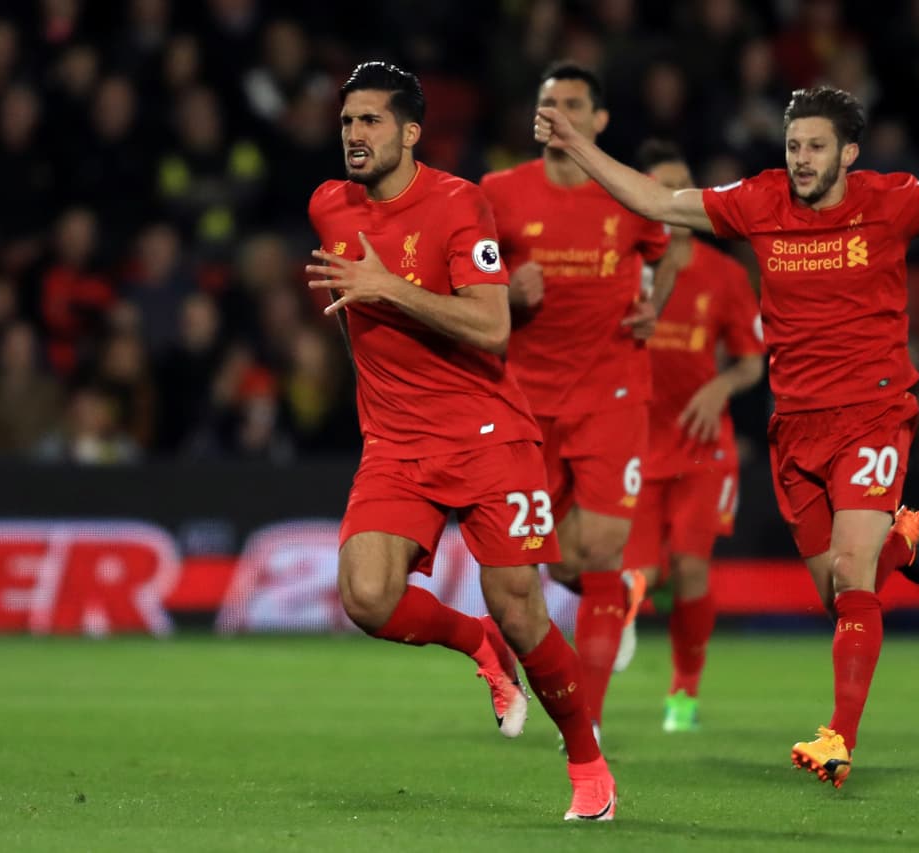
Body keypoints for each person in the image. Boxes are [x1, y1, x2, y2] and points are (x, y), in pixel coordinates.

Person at [535, 81, 919, 787]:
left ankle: (837, 736)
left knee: (850, 579)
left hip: (873, 412)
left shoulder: (887, 200)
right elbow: (659, 202)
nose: (801, 158)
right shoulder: (760, 201)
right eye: (794, 145)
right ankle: (899, 542)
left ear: (849, 152)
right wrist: (580, 146)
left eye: (816, 146)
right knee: (842, 597)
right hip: (796, 428)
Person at [304, 61, 614, 821]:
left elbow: (491, 324)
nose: (354, 134)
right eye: (347, 121)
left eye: (370, 121)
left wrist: (390, 289)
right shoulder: (328, 207)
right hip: (396, 443)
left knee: (522, 609)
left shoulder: (457, 202)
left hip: (487, 436)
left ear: (410, 132)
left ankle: (588, 764)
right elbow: (353, 317)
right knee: (367, 597)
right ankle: (475, 641)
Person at [480, 62, 675, 741]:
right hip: (525, 398)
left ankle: (582, 722)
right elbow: (463, 281)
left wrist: (655, 305)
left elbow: (666, 248)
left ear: (599, 121)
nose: (555, 112)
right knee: (543, 559)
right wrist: (507, 291)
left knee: (599, 548)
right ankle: (611, 600)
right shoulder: (498, 194)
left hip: (611, 390)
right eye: (546, 102)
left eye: (570, 103)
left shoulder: (630, 192)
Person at [613, 140, 767, 733]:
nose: (674, 197)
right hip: (637, 444)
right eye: (662, 186)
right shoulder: (625, 269)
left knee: (691, 569)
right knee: (642, 572)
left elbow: (753, 362)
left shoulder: (724, 274)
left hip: (703, 447)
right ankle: (627, 616)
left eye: (683, 185)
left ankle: (684, 691)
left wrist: (719, 387)